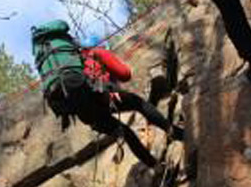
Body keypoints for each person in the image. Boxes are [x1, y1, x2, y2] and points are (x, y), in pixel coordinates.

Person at [31, 22, 182, 169]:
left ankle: (155, 166)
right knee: (139, 104)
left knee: (126, 133)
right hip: (102, 95)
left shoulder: (72, 64)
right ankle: (172, 130)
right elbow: (125, 74)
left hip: (87, 115)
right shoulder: (97, 53)